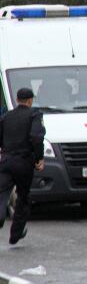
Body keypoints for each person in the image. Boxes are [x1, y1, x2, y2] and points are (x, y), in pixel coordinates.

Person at [0, 88, 45, 244]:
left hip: (6, 160)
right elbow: (36, 137)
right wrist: (39, 158)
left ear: (18, 99)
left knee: (2, 192)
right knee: (23, 197)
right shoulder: (34, 115)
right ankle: (16, 234)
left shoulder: (6, 117)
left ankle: (0, 216)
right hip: (24, 162)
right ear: (30, 100)